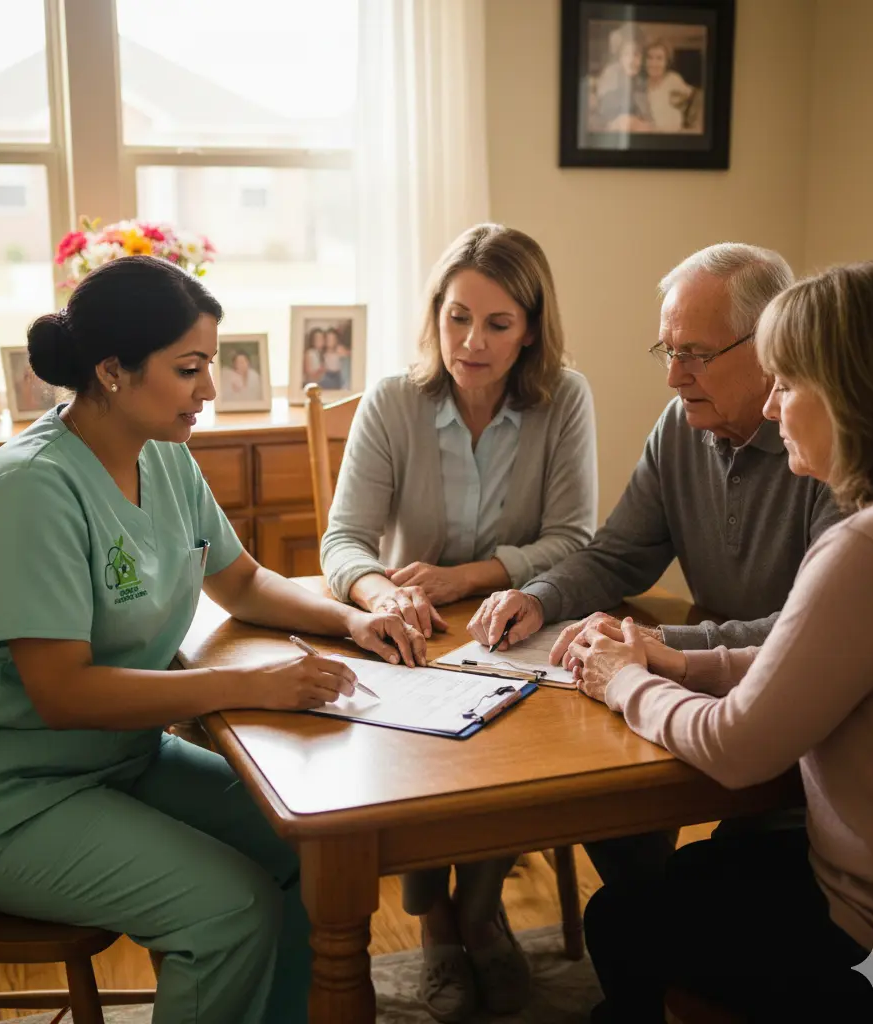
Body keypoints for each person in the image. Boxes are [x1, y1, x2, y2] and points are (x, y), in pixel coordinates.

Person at [0, 255, 425, 1024]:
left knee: (306, 856)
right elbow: (62, 692)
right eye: (190, 369)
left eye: (209, 365)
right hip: (7, 799)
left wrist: (352, 616)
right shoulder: (27, 491)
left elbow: (244, 582)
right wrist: (250, 685)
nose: (211, 389)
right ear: (112, 371)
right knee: (228, 914)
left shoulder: (168, 460)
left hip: (123, 761)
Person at [577, 259, 873, 1023]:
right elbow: (815, 664)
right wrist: (674, 659)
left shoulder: (871, 546)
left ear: (852, 394)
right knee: (700, 875)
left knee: (620, 919)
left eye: (788, 384)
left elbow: (738, 750)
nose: (773, 407)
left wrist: (622, 682)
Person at [468, 243, 843, 883]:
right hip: (722, 687)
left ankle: (652, 935)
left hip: (812, 727)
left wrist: (657, 644)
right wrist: (539, 594)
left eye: (694, 354)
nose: (674, 376)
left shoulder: (827, 444)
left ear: (768, 345)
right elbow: (619, 554)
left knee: (691, 880)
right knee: (606, 808)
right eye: (668, 351)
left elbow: (809, 635)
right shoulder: (681, 425)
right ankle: (644, 926)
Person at [321, 223, 598, 1022]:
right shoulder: (395, 400)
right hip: (415, 638)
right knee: (420, 748)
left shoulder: (565, 398)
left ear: (533, 329)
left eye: (498, 323)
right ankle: (438, 919)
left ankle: (479, 914)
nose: (471, 342)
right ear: (435, 314)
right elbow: (344, 540)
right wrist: (382, 592)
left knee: (518, 752)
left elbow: (574, 538)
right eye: (456, 317)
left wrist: (464, 576)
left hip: (520, 626)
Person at [596, 36, 653, 132]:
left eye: (636, 55)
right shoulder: (611, 73)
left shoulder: (641, 81)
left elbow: (647, 118)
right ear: (620, 58)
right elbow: (605, 114)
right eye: (626, 55)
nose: (631, 60)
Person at [643, 39, 693, 133]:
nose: (654, 63)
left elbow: (694, 96)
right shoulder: (641, 85)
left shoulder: (673, 79)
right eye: (650, 57)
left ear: (667, 62)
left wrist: (682, 101)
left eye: (659, 58)